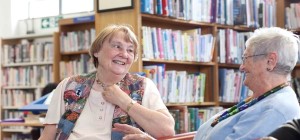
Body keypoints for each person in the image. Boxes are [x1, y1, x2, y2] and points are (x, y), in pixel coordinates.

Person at [39, 24, 175, 140]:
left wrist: (125, 102)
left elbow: (167, 130)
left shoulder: (142, 86)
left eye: (130, 50)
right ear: (97, 51)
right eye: (117, 46)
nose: (124, 54)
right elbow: (47, 136)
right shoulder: (70, 85)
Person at [193, 27, 300, 139]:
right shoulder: (262, 98)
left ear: (270, 61)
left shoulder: (275, 109)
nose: (241, 67)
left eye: (245, 58)